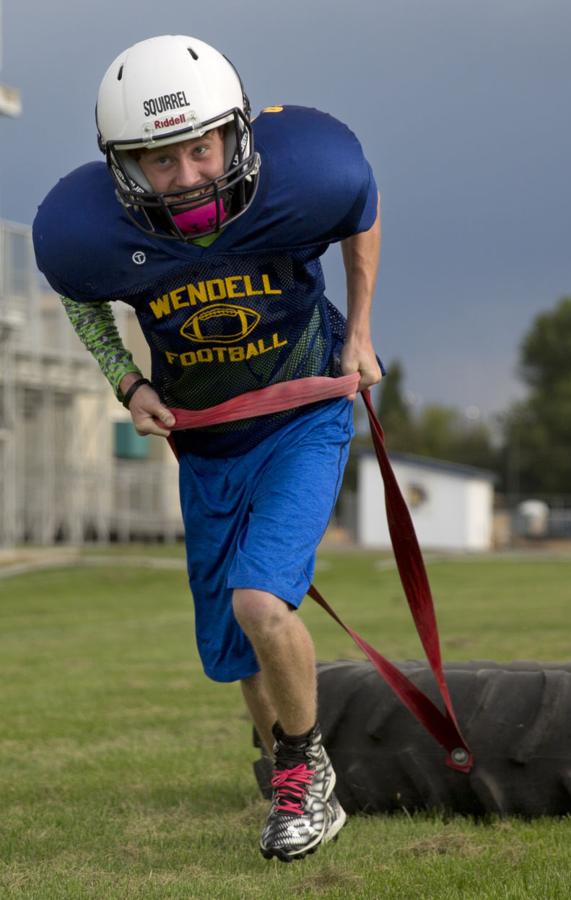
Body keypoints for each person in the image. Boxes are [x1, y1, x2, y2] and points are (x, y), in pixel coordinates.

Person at [33, 35, 382, 861]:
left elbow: (360, 207)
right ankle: (282, 765)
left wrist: (360, 330)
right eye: (160, 161)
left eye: (200, 148)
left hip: (300, 418)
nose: (188, 177)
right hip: (208, 444)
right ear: (124, 168)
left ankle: (308, 782)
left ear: (235, 132)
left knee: (260, 603)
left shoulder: (308, 178)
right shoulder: (90, 234)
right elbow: (82, 298)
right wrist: (127, 381)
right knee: (232, 649)